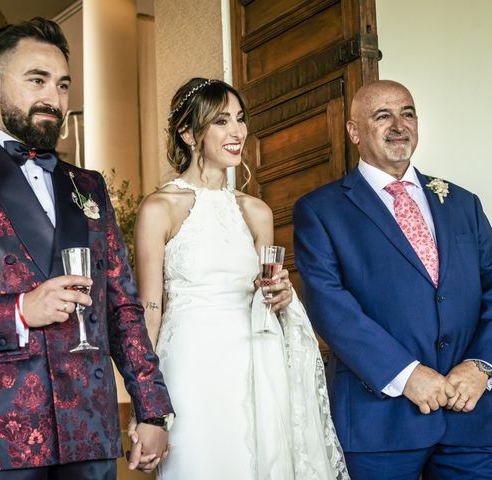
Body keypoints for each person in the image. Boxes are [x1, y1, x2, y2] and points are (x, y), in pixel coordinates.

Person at [0, 17, 173, 479]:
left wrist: (151, 409)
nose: (53, 98)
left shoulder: (89, 186)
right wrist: (20, 310)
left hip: (89, 431)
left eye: (63, 85)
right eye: (37, 80)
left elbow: (122, 305)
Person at [293, 79, 492, 479]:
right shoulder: (321, 210)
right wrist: (405, 373)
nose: (399, 125)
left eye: (407, 113)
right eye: (383, 116)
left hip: (470, 417)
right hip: (379, 423)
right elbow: (330, 306)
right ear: (354, 131)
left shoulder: (463, 203)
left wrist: (481, 367)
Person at [131, 77, 349, 479]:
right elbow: (149, 309)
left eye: (240, 119)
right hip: (190, 366)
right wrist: (148, 403)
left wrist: (282, 297)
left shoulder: (257, 212)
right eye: (221, 121)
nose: (237, 132)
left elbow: (265, 292)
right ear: (187, 133)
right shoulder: (159, 208)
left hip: (255, 361)